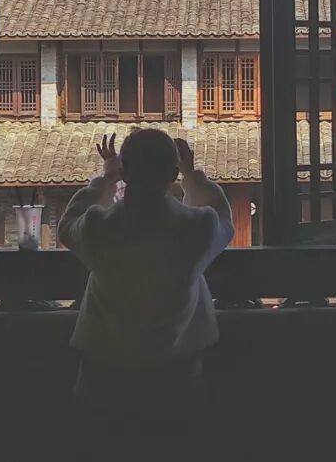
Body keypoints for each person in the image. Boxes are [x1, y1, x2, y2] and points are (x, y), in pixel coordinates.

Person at [57, 128, 234, 434]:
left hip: (104, 380)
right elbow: (224, 219)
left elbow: (68, 224)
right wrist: (191, 176)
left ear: (125, 172)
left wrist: (107, 177)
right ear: (172, 173)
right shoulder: (197, 227)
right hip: (176, 383)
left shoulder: (99, 227)